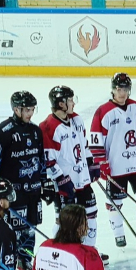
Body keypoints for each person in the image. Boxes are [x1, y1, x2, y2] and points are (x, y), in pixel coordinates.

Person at [89, 72, 136, 249]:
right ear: (113, 89)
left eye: (125, 89)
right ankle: (119, 234)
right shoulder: (103, 112)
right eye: (119, 89)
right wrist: (101, 162)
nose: (122, 93)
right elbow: (95, 141)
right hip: (116, 167)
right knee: (115, 202)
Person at [0, 91, 47, 270]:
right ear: (16, 109)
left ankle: (25, 260)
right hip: (14, 194)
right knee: (13, 232)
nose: (30, 113)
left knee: (30, 229)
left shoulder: (36, 131)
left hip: (33, 191)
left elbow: (40, 160)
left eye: (32, 109)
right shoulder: (1, 133)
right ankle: (9, 267)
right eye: (27, 109)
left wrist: (44, 182)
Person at [40, 86, 99, 247]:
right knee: (64, 222)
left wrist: (90, 163)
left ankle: (89, 250)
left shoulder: (77, 120)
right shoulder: (48, 127)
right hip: (66, 185)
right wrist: (60, 179)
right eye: (70, 100)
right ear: (61, 104)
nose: (73, 103)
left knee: (91, 215)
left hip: (83, 180)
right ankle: (62, 251)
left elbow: (84, 146)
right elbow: (48, 160)